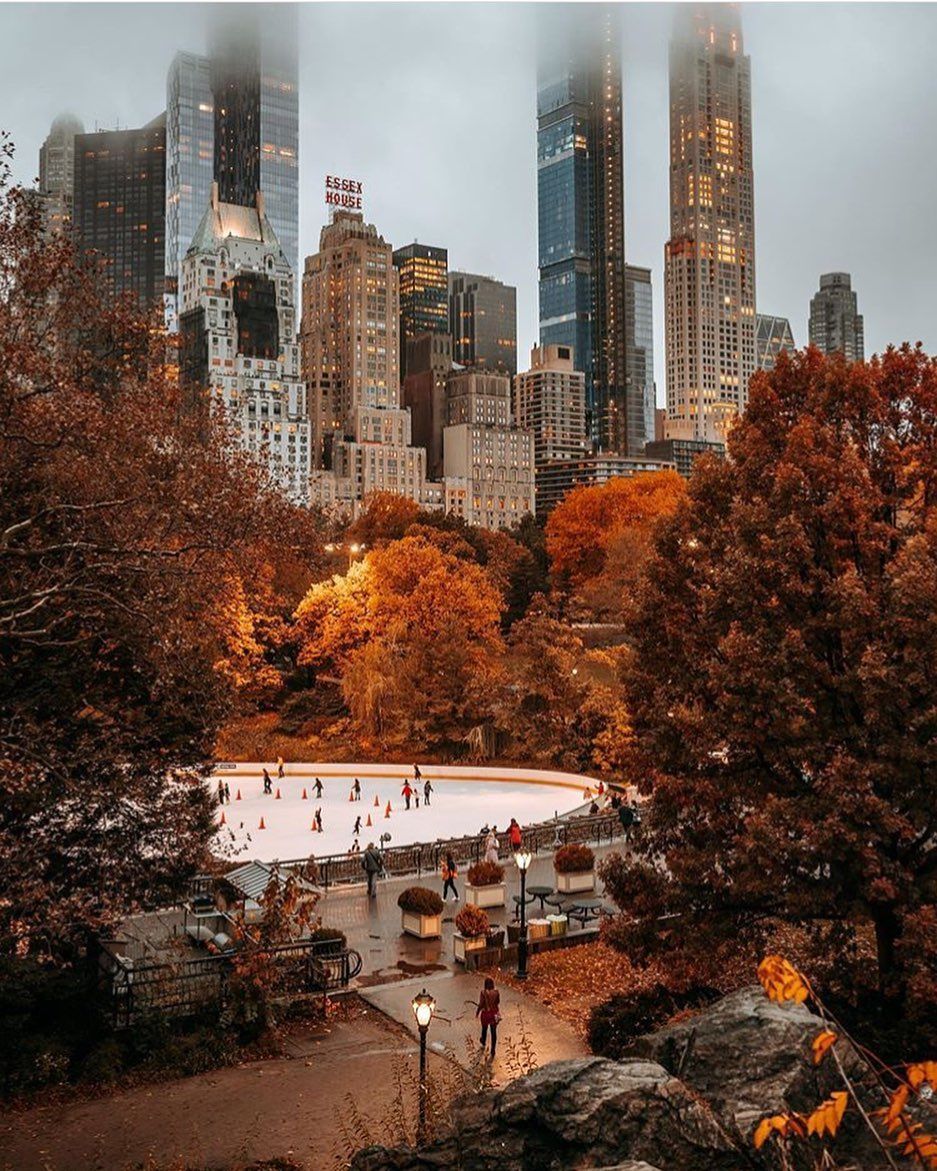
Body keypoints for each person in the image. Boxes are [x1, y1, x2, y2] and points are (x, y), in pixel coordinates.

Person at [476, 976, 501, 1058]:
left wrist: (477, 1012)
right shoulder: (496, 992)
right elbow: (498, 1002)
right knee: (493, 1032)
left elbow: (481, 1004)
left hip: (486, 1014)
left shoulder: (483, 993)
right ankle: (493, 1049)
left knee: (484, 1029)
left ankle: (483, 1041)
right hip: (494, 1014)